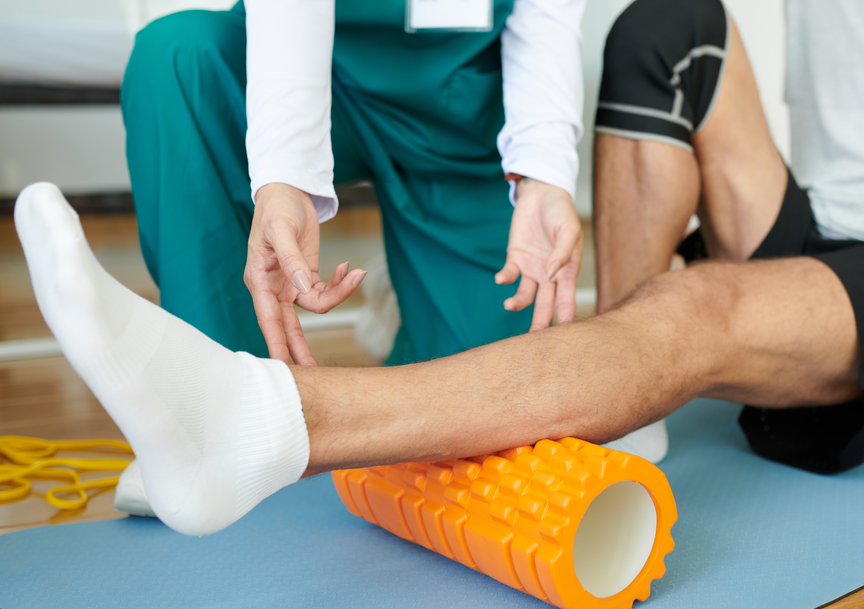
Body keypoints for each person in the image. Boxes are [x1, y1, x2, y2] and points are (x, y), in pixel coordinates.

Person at [15, 0, 864, 538]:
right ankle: (622, 389)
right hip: (819, 226)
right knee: (665, 21)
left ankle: (270, 420)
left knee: (699, 310)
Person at [120, 0, 585, 369]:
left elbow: (546, 20)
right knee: (178, 58)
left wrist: (543, 177)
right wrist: (284, 177)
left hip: (458, 109)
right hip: (315, 72)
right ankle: (212, 403)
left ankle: (403, 300)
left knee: (497, 396)